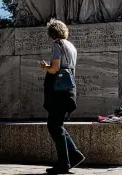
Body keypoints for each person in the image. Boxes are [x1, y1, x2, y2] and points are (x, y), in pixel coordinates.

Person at [39, 19, 85, 174]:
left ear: (51, 33)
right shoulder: (71, 46)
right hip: (68, 90)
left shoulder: (57, 45)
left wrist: (45, 67)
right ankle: (74, 155)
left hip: (58, 91)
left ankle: (64, 162)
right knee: (57, 125)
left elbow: (55, 69)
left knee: (54, 126)